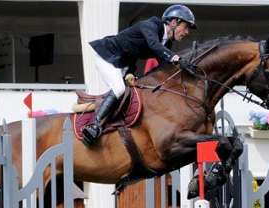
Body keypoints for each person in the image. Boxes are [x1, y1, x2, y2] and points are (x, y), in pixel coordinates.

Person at [82, 4, 197, 146]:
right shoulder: (150, 26)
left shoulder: (166, 44)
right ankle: (94, 125)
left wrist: (185, 73)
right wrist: (177, 59)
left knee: (132, 93)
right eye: (185, 27)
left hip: (124, 64)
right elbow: (154, 45)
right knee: (119, 89)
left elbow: (164, 68)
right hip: (107, 56)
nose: (187, 32)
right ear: (174, 22)